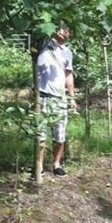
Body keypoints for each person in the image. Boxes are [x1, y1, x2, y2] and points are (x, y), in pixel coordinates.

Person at [36, 24, 77, 177]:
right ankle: (38, 166)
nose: (63, 31)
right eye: (60, 28)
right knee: (40, 134)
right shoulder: (43, 44)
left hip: (60, 98)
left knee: (59, 135)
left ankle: (56, 164)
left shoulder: (67, 53)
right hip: (41, 96)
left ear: (69, 34)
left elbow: (68, 75)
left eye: (66, 29)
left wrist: (71, 97)